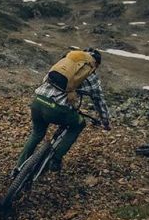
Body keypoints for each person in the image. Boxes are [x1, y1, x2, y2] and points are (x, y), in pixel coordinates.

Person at [13, 47, 111, 175]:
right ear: (95, 64)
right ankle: (56, 159)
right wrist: (106, 122)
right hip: (56, 110)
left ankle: (18, 168)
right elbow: (99, 100)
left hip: (38, 102)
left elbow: (46, 79)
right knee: (79, 124)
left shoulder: (65, 63)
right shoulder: (91, 75)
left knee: (37, 133)